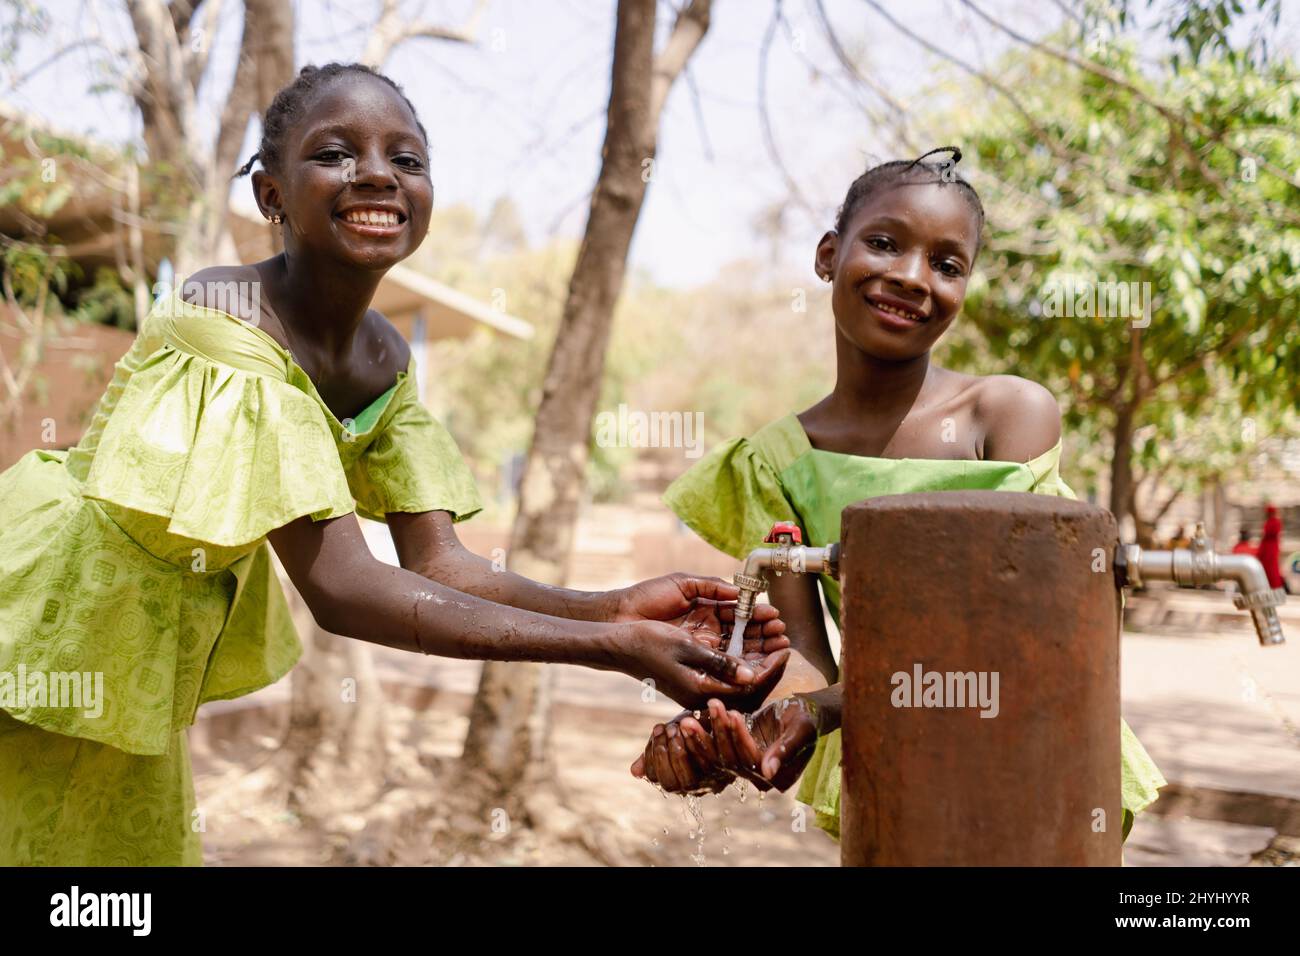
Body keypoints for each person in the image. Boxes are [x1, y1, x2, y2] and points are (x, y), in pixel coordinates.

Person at [0, 63, 791, 865]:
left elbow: (440, 566)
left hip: (132, 661)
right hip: (38, 620)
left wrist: (617, 608)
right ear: (271, 195)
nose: (377, 172)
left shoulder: (383, 359)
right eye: (336, 153)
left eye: (406, 159)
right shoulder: (224, 320)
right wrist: (614, 650)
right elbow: (344, 588)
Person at [631, 147, 1165, 842]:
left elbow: (1026, 637)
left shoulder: (1004, 415)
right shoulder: (780, 462)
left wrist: (825, 709)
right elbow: (807, 661)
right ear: (828, 255)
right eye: (884, 243)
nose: (913, 278)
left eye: (947, 264)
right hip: (895, 765)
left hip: (1043, 752)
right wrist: (732, 730)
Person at [1257, 504, 1286, 592]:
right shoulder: (1272, 521)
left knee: (1271, 568)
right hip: (1268, 548)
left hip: (1270, 548)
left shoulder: (1275, 522)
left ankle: (1275, 586)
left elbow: (1269, 534)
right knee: (1267, 567)